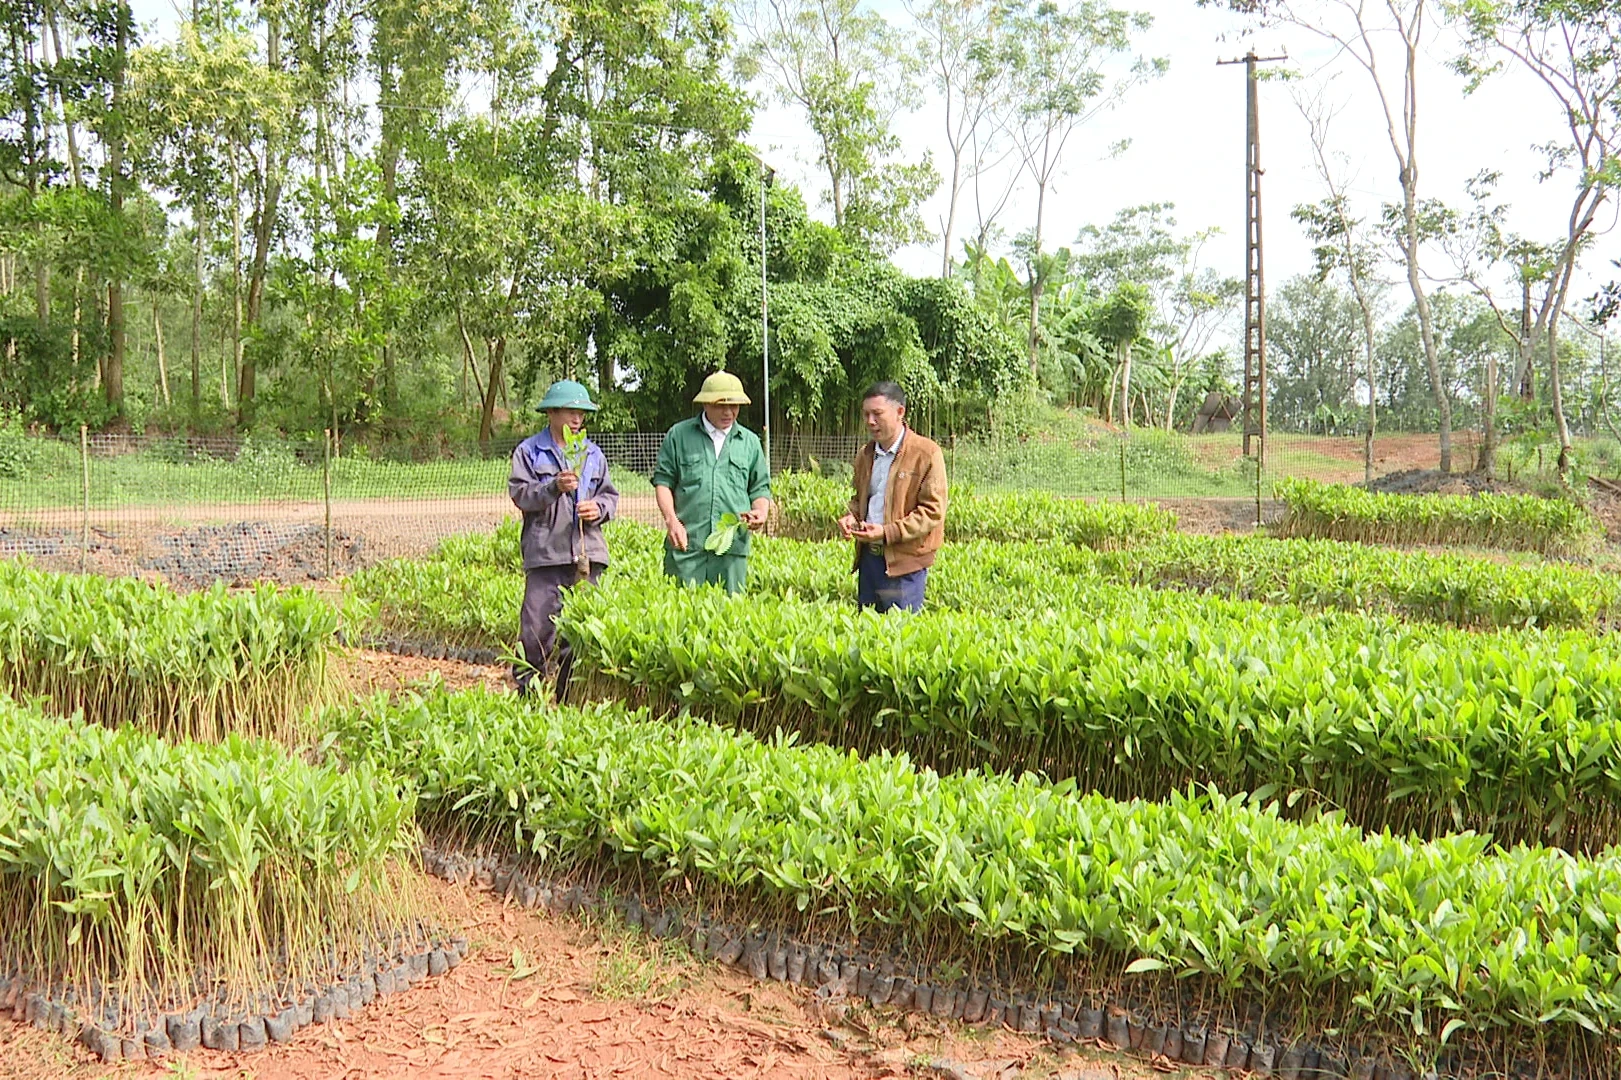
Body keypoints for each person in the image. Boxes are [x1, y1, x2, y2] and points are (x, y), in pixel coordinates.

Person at [508, 379, 619, 698]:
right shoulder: (529, 451)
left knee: (579, 636)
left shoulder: (593, 454)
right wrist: (553, 487)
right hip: (545, 557)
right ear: (552, 413)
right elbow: (520, 495)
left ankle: (569, 703)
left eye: (582, 412)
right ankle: (527, 702)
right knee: (534, 634)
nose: (577, 418)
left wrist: (596, 509)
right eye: (571, 411)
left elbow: (610, 497)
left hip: (587, 558)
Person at [652, 371, 772, 594]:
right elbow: (663, 482)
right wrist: (672, 520)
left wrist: (760, 512)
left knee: (729, 619)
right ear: (705, 404)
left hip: (732, 550)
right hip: (686, 548)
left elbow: (760, 488)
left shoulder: (750, 442)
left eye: (734, 405)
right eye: (720, 405)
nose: (728, 412)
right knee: (681, 618)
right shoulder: (679, 435)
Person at [837, 381, 947, 613]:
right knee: (868, 636)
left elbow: (932, 511)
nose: (870, 421)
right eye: (866, 414)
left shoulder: (926, 453)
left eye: (877, 414)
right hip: (869, 561)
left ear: (900, 412)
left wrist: (887, 532)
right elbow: (862, 499)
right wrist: (851, 516)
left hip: (904, 566)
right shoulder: (866, 454)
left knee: (899, 638)